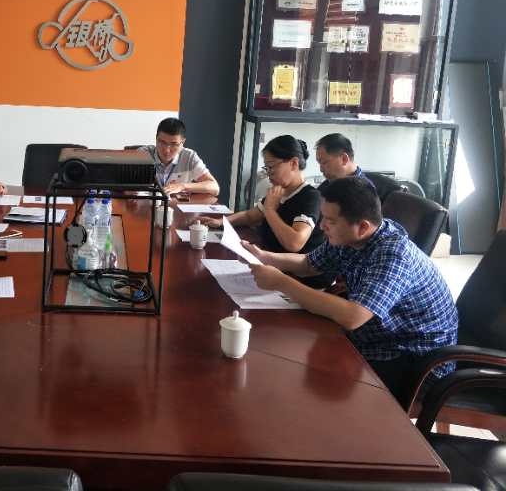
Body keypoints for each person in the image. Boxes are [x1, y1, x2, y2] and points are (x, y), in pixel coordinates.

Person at [246, 177, 458, 403]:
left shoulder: (394, 254)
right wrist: (266, 257)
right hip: (378, 337)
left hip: (414, 358)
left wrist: (282, 282)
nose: (321, 226)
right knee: (292, 354)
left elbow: (353, 317)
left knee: (310, 384)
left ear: (363, 226)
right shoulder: (352, 235)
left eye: (330, 221)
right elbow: (309, 264)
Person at [203, 135, 328, 287]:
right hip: (272, 266)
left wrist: (270, 210)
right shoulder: (279, 191)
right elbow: (250, 216)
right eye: (266, 168)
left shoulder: (310, 197)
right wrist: (222, 222)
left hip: (299, 280)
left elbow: (294, 243)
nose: (268, 174)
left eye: (271, 167)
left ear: (294, 163)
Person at [144, 117, 219, 196]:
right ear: (156, 138)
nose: (167, 150)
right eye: (162, 142)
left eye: (174, 144)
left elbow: (215, 188)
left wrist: (183, 186)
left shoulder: (189, 157)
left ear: (182, 142)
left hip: (177, 203)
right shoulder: (143, 154)